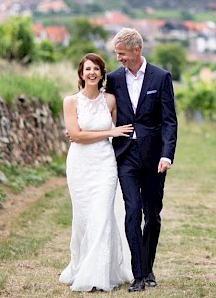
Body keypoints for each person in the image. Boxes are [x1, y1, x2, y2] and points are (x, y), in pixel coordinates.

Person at [105, 28, 178, 292]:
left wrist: (167, 154)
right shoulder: (113, 79)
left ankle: (148, 268)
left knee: (152, 214)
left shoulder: (161, 77)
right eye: (116, 54)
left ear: (137, 50)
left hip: (154, 156)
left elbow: (169, 120)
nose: (118, 58)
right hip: (125, 154)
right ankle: (138, 274)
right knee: (132, 211)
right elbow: (101, 106)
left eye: (122, 54)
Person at [59, 53, 134, 293]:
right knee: (83, 219)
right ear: (81, 73)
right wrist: (110, 132)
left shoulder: (110, 100)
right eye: (87, 68)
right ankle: (81, 266)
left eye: (97, 69)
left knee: (103, 215)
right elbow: (77, 135)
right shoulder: (71, 102)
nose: (92, 72)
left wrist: (112, 134)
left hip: (105, 165)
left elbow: (118, 132)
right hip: (80, 165)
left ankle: (98, 274)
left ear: (102, 74)